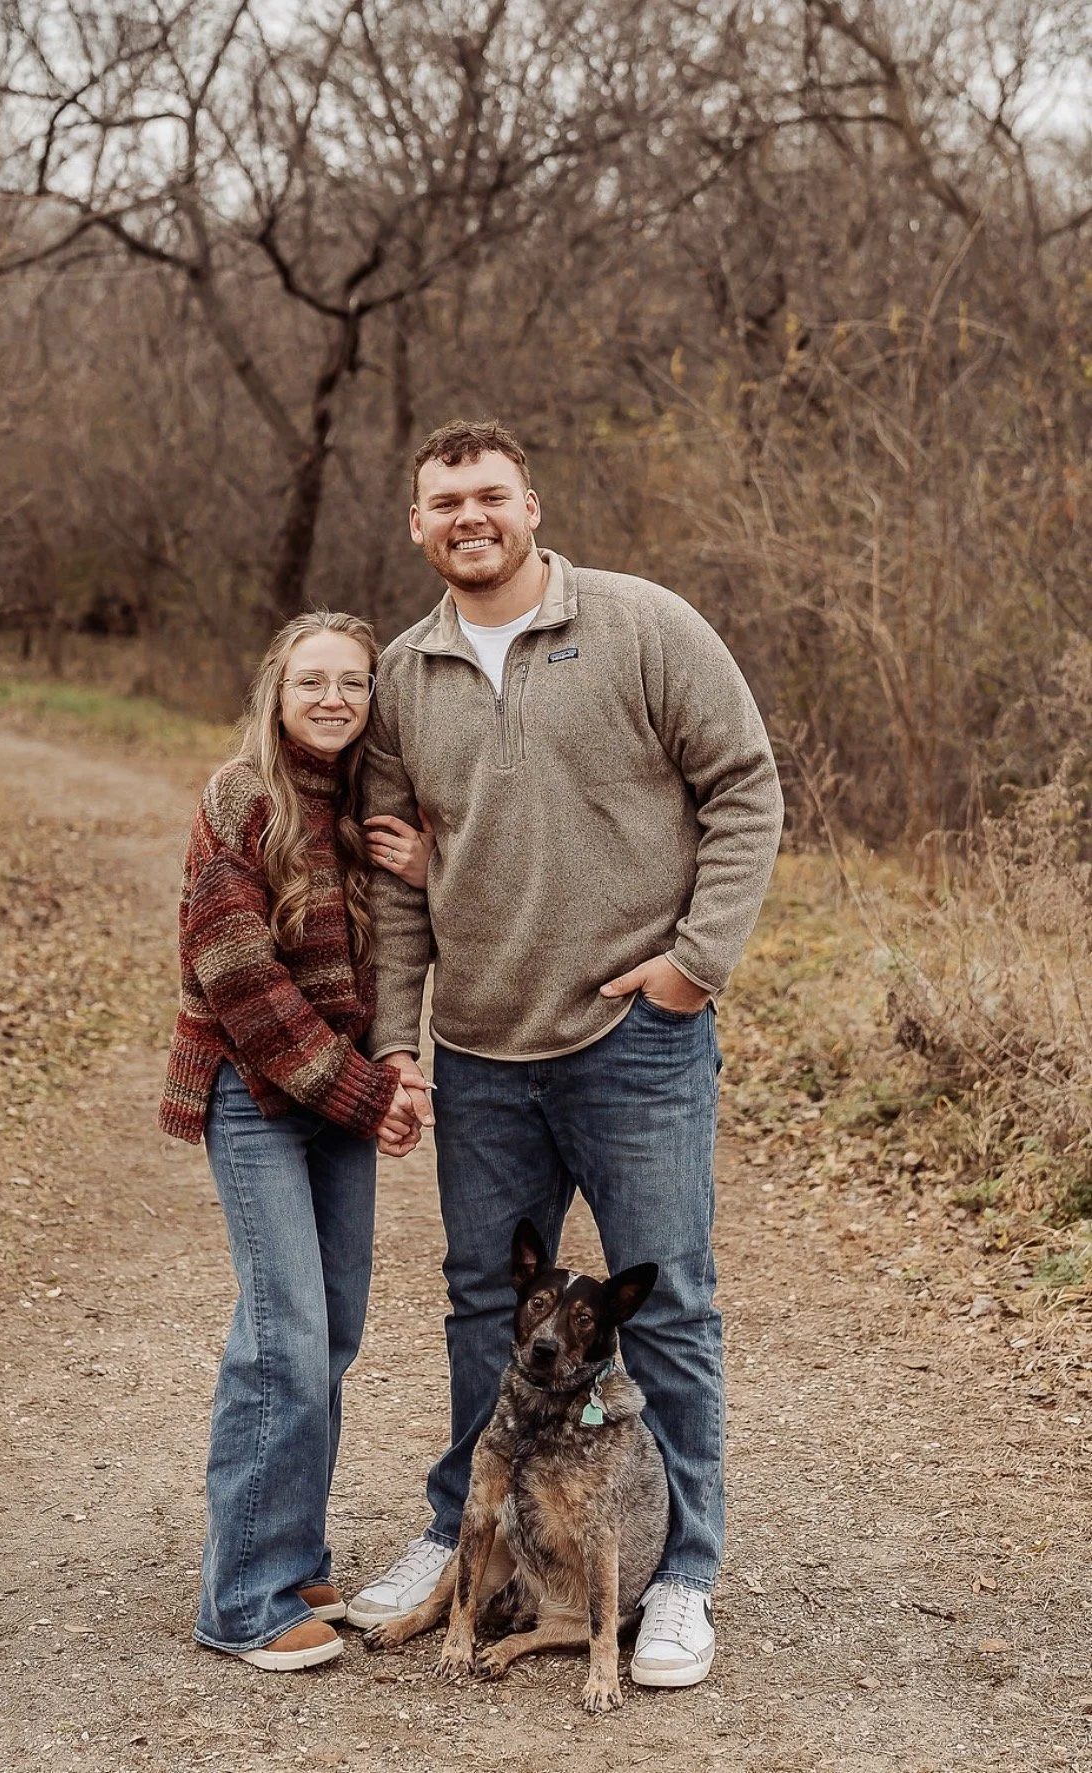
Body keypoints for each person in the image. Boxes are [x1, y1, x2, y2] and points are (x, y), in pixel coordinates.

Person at [347, 420, 784, 1689]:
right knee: (487, 1308)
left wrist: (694, 967)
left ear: (531, 502)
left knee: (676, 1313)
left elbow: (745, 788)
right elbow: (395, 883)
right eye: (444, 503)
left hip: (635, 1045)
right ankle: (462, 1535)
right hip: (480, 1049)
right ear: (418, 525)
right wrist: (397, 1041)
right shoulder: (402, 673)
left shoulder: (645, 625)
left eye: (490, 493)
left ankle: (683, 1575)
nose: (468, 516)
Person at [158, 610, 431, 1674]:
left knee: (332, 1335)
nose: (332, 699)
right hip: (255, 1098)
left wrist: (430, 864)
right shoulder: (241, 799)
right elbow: (241, 982)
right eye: (311, 680)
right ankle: (242, 1600)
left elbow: (402, 948)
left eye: (353, 685)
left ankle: (294, 1553)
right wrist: (369, 1096)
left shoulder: (366, 811)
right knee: (282, 1342)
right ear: (277, 692)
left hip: (335, 1102)